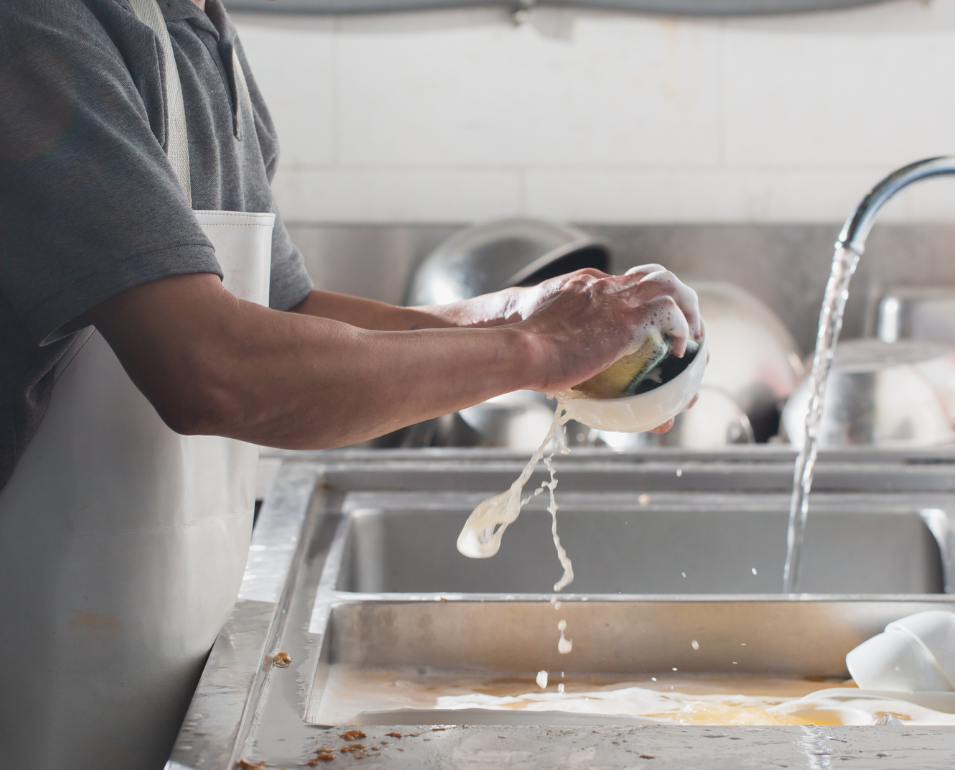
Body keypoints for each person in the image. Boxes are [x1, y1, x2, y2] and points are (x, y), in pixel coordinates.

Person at [0, 1, 702, 768]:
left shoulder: (197, 29)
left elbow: (287, 313)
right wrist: (533, 350)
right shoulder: (39, 24)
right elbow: (211, 366)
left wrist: (519, 315)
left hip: (146, 669)